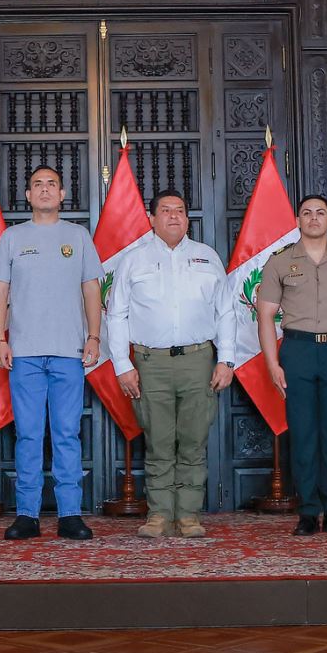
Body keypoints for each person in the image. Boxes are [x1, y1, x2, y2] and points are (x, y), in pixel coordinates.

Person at [103, 189, 238, 538]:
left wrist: (226, 360)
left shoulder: (208, 258)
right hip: (151, 363)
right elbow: (116, 315)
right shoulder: (133, 260)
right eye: (166, 210)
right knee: (159, 441)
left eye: (180, 210)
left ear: (187, 218)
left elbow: (225, 312)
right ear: (152, 218)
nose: (174, 216)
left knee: (193, 440)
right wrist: (122, 364)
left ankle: (189, 514)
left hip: (198, 360)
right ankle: (160, 514)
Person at [0, 166, 103, 540]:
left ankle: (70, 514)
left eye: (51, 184)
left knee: (67, 434)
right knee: (29, 435)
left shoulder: (78, 236)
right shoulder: (12, 237)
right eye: (37, 184)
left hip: (69, 351)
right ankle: (27, 515)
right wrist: (0, 339)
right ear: (27, 194)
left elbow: (91, 290)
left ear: (63, 193)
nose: (44, 190)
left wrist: (94, 337)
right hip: (24, 352)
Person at [254, 195, 327, 536]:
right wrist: (272, 363)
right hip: (298, 351)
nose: (314, 218)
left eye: (320, 213)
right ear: (298, 221)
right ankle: (307, 512)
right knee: (303, 435)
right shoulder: (279, 262)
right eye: (307, 213)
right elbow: (265, 317)